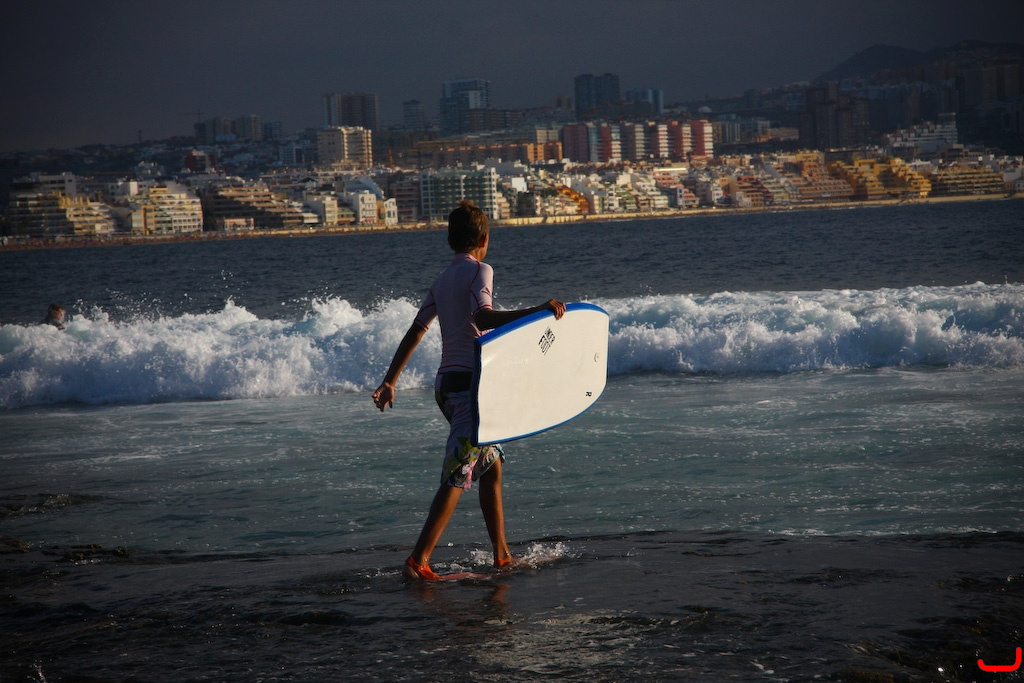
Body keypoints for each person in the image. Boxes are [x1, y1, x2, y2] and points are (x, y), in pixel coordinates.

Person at [372, 200, 565, 581]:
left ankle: (502, 555)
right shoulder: (481, 269)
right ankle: (418, 561)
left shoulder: (442, 279)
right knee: (459, 472)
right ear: (483, 238)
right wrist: (537, 311)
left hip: (447, 388)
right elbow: (483, 315)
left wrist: (390, 380)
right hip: (471, 390)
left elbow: (416, 331)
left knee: (490, 466)